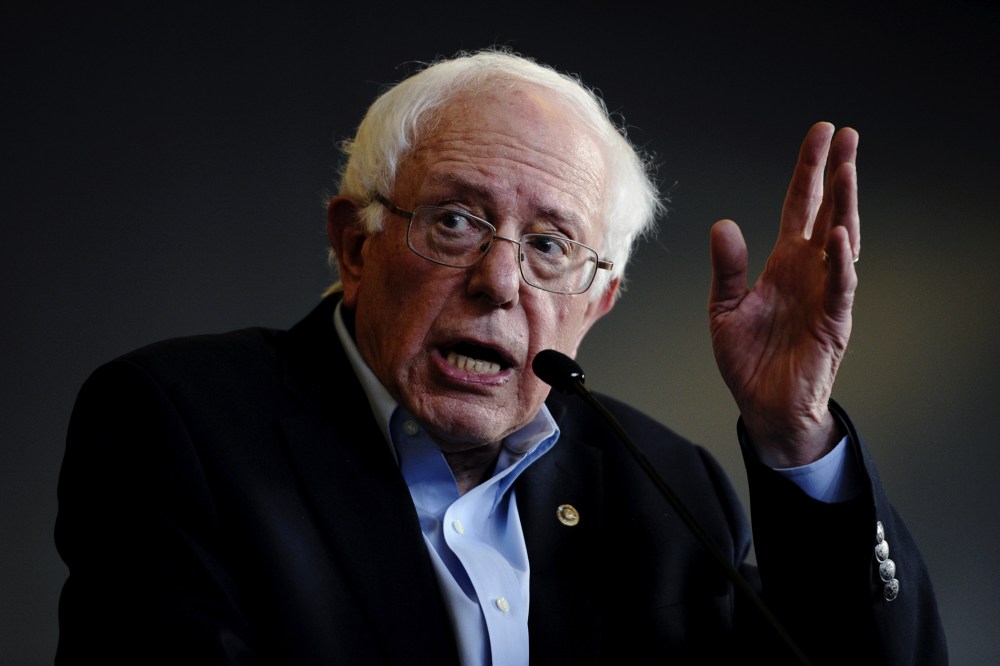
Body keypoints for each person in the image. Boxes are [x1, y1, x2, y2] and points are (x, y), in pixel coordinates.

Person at [54, 48, 947, 665]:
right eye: (454, 221)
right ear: (355, 248)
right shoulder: (177, 427)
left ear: (597, 304)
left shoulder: (670, 495)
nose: (499, 281)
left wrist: (796, 438)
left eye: (551, 245)